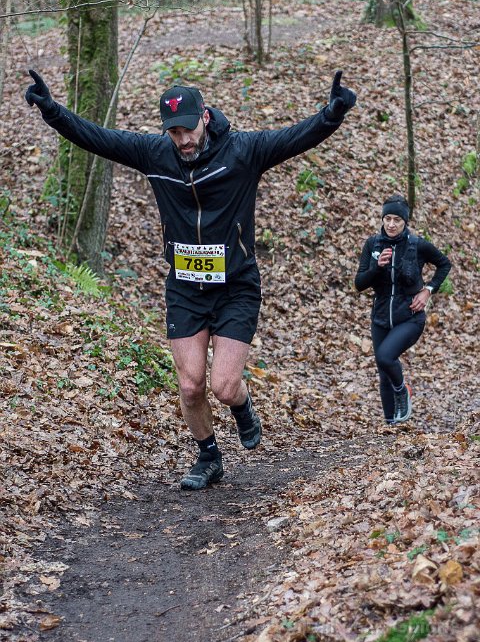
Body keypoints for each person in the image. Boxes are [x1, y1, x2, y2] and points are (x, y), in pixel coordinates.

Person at [25, 67, 356, 489]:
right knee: (190, 384)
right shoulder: (154, 154)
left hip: (235, 286)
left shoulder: (243, 151)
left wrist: (332, 114)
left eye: (188, 129)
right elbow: (99, 139)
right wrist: (52, 111)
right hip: (185, 288)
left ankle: (242, 404)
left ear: (205, 117)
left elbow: (296, 137)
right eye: (174, 132)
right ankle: (209, 457)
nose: (182, 140)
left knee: (224, 386)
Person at [354, 194, 451, 425]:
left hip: (410, 317)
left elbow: (444, 264)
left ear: (405, 221)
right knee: (383, 372)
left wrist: (428, 290)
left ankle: (402, 390)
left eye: (397, 220)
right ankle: (392, 425)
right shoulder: (373, 244)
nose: (391, 224)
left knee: (385, 357)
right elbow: (359, 284)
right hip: (380, 318)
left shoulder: (417, 245)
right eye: (387, 218)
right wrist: (377, 267)